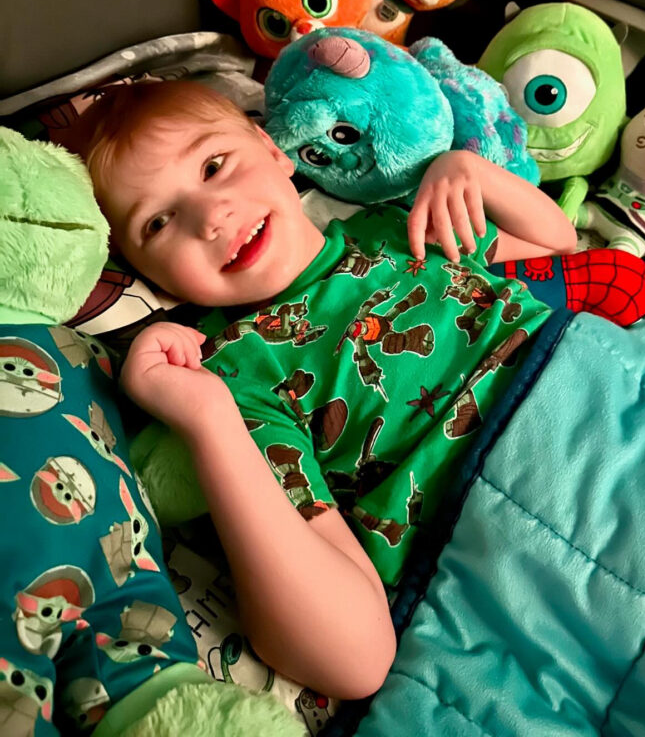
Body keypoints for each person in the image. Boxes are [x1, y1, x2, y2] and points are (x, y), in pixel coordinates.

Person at [79, 79, 577, 702]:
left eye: (213, 166)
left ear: (273, 148)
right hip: (509, 524)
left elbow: (557, 253)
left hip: (585, 395)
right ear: (143, 273)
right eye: (157, 222)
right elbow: (356, 662)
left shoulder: (396, 229)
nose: (211, 219)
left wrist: (466, 169)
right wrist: (207, 422)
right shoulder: (236, 377)